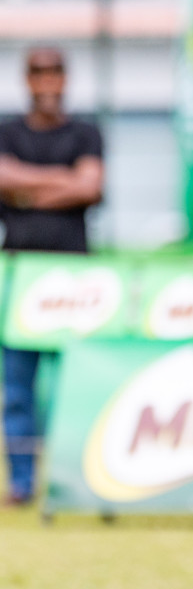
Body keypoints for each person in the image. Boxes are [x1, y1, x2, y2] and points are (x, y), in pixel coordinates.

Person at [0, 47, 103, 505]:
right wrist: (64, 182)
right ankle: (22, 483)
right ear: (27, 79)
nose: (47, 81)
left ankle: (71, 479)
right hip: (18, 276)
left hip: (72, 279)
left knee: (70, 385)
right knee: (16, 386)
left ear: (65, 79)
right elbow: (5, 179)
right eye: (38, 72)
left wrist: (28, 188)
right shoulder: (7, 131)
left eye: (55, 72)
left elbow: (92, 186)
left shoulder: (85, 132)